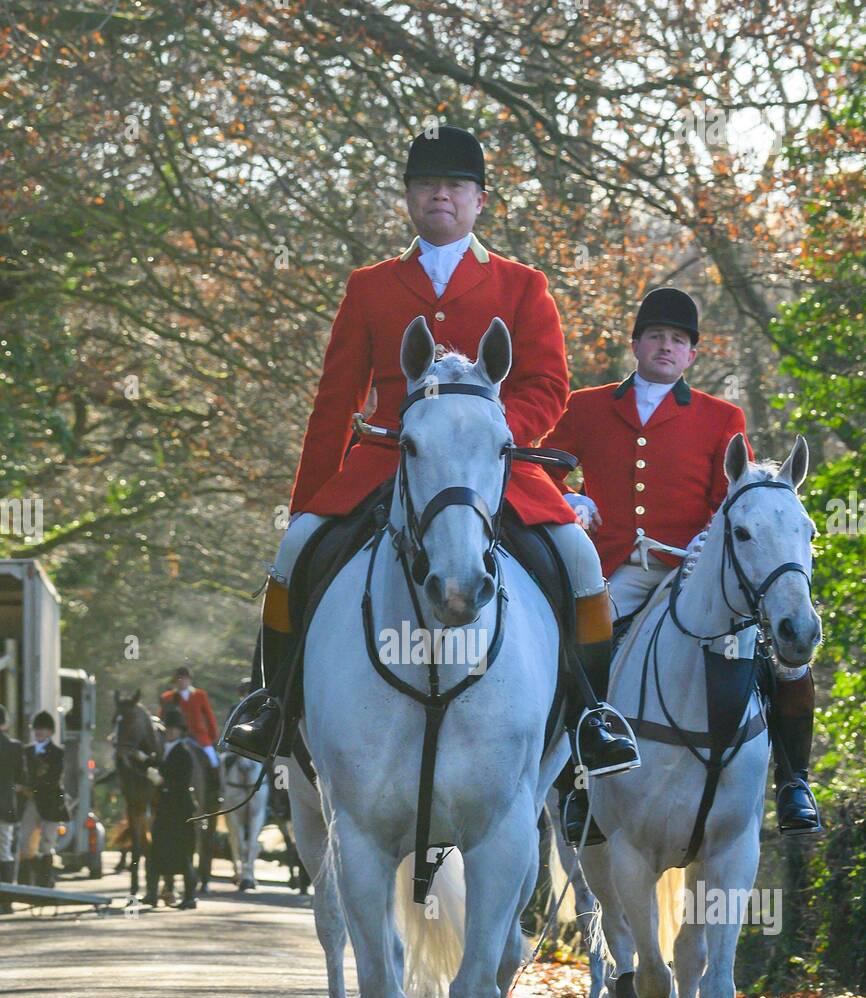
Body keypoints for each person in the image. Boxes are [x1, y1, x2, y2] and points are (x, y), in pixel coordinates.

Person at [223, 123, 639, 787]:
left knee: (581, 560)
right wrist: (308, 502)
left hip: (490, 467)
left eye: (454, 186)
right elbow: (334, 403)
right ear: (409, 199)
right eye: (426, 185)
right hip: (387, 460)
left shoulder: (523, 285)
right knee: (296, 550)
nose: (439, 195)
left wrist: (492, 429)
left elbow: (548, 385)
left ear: (479, 201)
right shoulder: (370, 287)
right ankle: (270, 703)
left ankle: (593, 714)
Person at [541, 285, 821, 842]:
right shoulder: (587, 406)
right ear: (637, 345)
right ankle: (575, 784)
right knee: (572, 646)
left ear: (692, 354)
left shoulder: (722, 416)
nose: (666, 347)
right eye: (656, 337)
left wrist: (709, 541)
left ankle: (793, 781)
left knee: (775, 652)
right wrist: (567, 500)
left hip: (698, 567)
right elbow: (540, 472)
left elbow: (738, 499)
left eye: (677, 340)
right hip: (619, 566)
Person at [143, 705, 198, 910]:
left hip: (180, 809)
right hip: (164, 809)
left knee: (183, 852)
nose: (171, 731)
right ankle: (151, 893)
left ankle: (190, 895)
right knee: (155, 850)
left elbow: (182, 782)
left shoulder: (183, 753)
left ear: (180, 731)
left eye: (175, 729)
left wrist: (162, 782)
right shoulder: (162, 751)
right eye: (169, 728)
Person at [159, 666, 222, 803]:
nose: (181, 682)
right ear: (174, 681)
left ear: (189, 680)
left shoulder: (200, 695)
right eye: (178, 680)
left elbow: (209, 715)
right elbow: (162, 718)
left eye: (184, 679)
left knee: (213, 760)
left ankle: (216, 793)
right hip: (175, 738)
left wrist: (212, 737)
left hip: (199, 737)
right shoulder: (167, 697)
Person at [19, 711, 68, 887]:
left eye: (43, 729)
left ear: (50, 732)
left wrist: (31, 788)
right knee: (26, 842)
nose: (39, 732)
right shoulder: (26, 751)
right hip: (31, 802)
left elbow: (53, 777)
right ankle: (26, 880)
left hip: (50, 802)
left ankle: (46, 880)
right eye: (37, 729)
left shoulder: (58, 752)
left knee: (47, 842)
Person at [0, 704, 24, 884]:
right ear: (5, 724)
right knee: (4, 850)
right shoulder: (14, 747)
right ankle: (6, 900)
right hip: (5, 806)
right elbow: (22, 777)